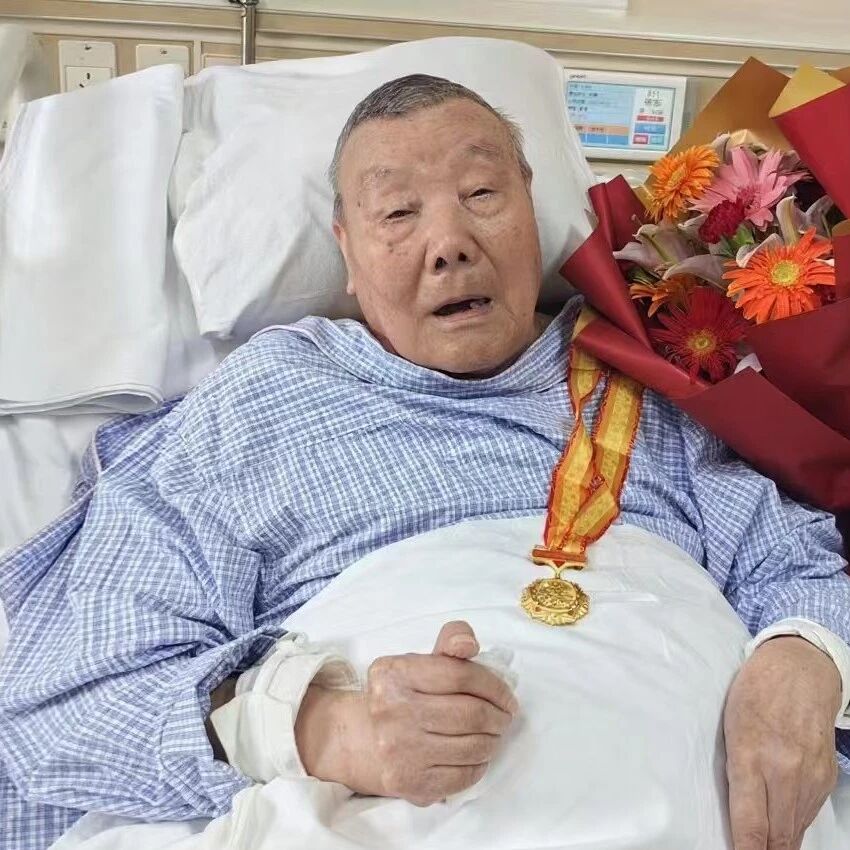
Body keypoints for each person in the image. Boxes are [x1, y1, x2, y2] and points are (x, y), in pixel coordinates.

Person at [0, 74, 848, 850]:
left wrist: (803, 660)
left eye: (481, 194)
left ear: (531, 209)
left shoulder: (640, 370)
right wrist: (328, 730)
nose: (448, 242)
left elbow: (793, 558)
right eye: (397, 213)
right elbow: (71, 699)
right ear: (346, 251)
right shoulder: (258, 402)